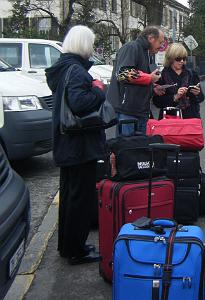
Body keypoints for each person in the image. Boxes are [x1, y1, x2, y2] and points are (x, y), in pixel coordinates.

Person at [45, 25, 106, 265]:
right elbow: (81, 103)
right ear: (83, 44)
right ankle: (77, 250)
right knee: (80, 200)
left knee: (70, 198)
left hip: (66, 144)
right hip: (79, 146)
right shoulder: (77, 71)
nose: (92, 48)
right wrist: (99, 90)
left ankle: (67, 246)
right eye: (91, 43)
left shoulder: (62, 69)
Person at [107, 26, 164, 135]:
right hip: (128, 110)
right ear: (151, 38)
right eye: (160, 42)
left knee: (137, 149)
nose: (161, 46)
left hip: (139, 111)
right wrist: (150, 78)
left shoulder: (146, 53)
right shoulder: (132, 47)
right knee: (127, 148)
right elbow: (124, 74)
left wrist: (153, 87)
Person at [152, 43, 204, 119]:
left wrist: (197, 93)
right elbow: (157, 102)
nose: (182, 61)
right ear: (171, 58)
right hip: (170, 120)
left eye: (184, 58)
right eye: (178, 58)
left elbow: (201, 98)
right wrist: (175, 96)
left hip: (191, 119)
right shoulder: (161, 76)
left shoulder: (192, 74)